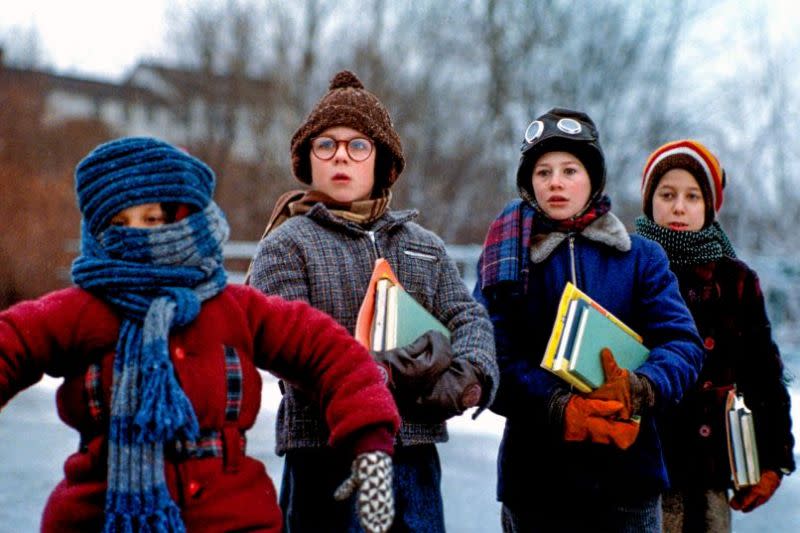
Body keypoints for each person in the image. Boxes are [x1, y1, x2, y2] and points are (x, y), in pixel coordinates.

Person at [0, 136, 401, 533]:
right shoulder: (82, 310)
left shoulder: (237, 310)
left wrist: (371, 446)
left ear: (184, 216)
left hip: (234, 518)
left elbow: (332, 355)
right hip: (99, 518)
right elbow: (11, 341)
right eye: (119, 223)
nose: (137, 235)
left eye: (153, 219)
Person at [248, 70, 499, 532]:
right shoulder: (286, 243)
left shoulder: (423, 244)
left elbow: (468, 316)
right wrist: (378, 373)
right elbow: (285, 344)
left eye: (358, 145)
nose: (341, 155)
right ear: (308, 158)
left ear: (382, 161)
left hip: (415, 456)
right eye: (326, 144)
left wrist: (469, 372)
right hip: (325, 455)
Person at [473, 108, 705, 532]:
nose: (556, 182)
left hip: (628, 479)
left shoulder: (640, 258)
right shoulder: (503, 259)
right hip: (535, 482)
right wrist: (557, 405)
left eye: (569, 169)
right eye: (543, 172)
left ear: (593, 179)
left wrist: (643, 385)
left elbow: (682, 344)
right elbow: (488, 355)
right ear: (529, 183)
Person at [635, 139, 796, 532]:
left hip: (712, 465)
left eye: (692, 196)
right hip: (641, 465)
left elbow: (764, 375)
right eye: (667, 194)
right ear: (649, 201)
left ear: (709, 206)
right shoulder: (629, 266)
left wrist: (775, 459)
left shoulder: (736, 281)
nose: (678, 207)